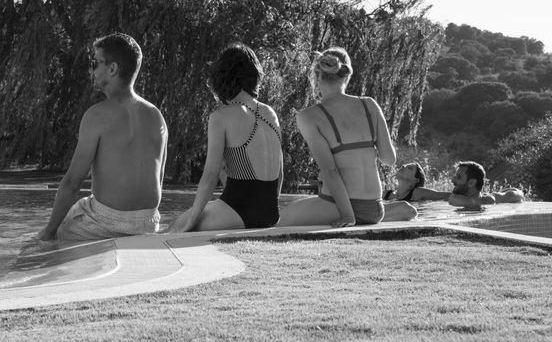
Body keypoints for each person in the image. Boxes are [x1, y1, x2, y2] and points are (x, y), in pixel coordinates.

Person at [38, 33, 167, 241]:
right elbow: (159, 178)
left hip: (106, 221)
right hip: (148, 221)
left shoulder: (97, 115)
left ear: (113, 69)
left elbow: (72, 183)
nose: (91, 70)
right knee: (82, 206)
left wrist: (48, 233)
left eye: (95, 63)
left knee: (42, 240)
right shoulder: (156, 115)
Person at [169, 43, 283, 232]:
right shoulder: (270, 113)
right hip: (271, 211)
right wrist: (270, 211)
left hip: (238, 210)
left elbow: (210, 175)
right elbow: (280, 172)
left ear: (221, 78)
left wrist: (191, 221)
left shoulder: (221, 117)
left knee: (176, 226)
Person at [277, 48, 396, 227]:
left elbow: (331, 171)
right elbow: (389, 159)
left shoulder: (309, 116)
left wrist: (348, 216)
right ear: (347, 75)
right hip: (375, 208)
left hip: (339, 207)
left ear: (316, 76)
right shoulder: (369, 105)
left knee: (274, 221)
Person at [448, 161, 524, 208]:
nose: (452, 180)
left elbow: (518, 194)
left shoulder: (488, 199)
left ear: (471, 183)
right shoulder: (454, 198)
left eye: (458, 177)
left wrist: (490, 198)